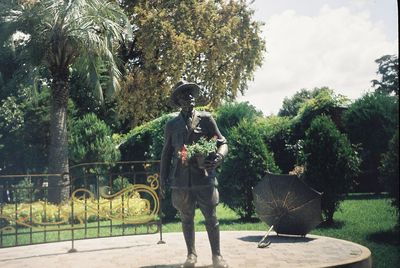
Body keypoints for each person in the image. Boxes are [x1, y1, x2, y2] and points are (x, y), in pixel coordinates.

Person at [160, 81, 229, 268]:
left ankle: (217, 256)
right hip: (181, 180)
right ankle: (191, 255)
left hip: (204, 176)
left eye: (191, 93)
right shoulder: (171, 125)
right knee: (186, 217)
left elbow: (223, 142)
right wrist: (162, 181)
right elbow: (166, 154)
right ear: (178, 101)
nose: (189, 96)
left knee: (211, 217)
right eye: (184, 94)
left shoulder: (206, 119)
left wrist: (219, 157)